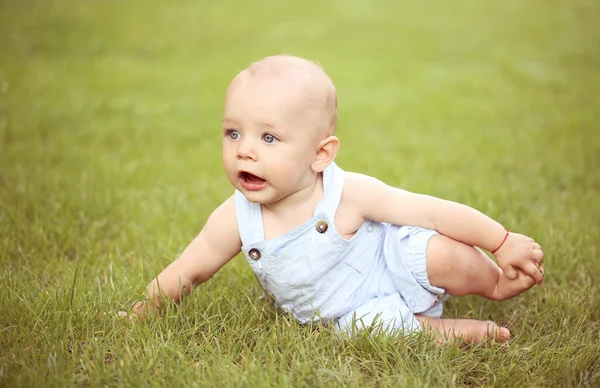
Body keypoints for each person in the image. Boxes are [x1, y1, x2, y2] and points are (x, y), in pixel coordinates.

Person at [121, 55, 545, 344]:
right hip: (344, 310)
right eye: (234, 133)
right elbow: (188, 271)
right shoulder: (236, 218)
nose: (244, 151)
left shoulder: (348, 194)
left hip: (389, 262)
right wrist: (144, 310)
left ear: (321, 154)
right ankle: (459, 331)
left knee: (442, 255)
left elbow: (431, 211)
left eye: (268, 137)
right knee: (372, 329)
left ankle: (492, 284)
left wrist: (500, 239)